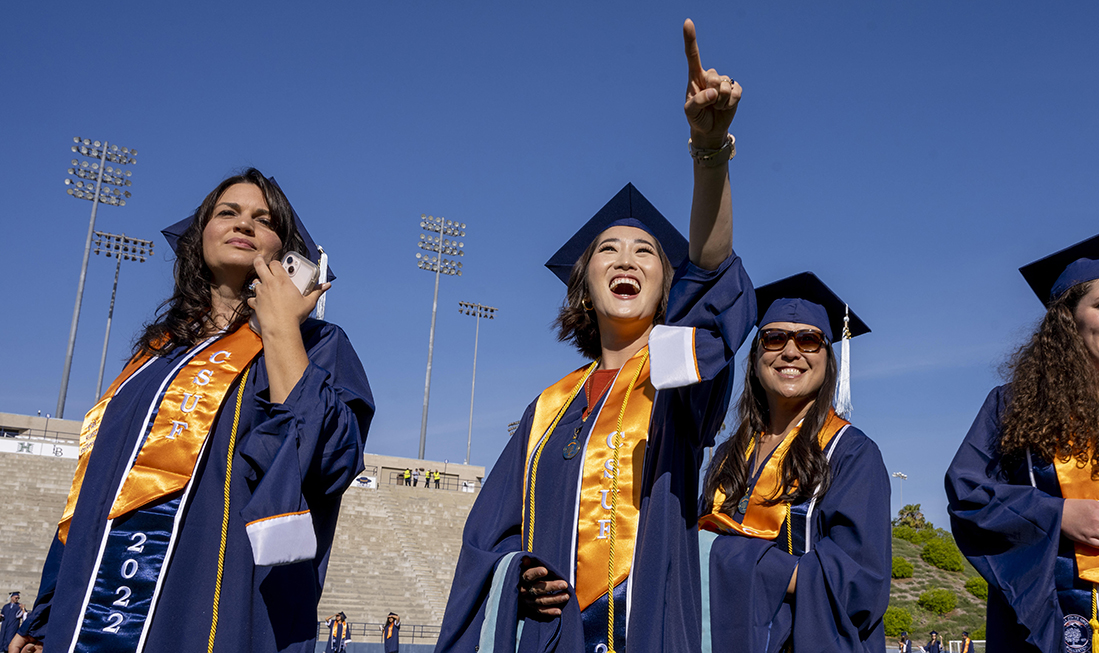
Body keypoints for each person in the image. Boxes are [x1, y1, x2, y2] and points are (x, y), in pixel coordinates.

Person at [434, 19, 755, 653]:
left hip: (649, 625)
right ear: (584, 287)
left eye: (647, 252)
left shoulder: (675, 378)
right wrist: (515, 577)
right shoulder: (548, 407)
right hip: (554, 637)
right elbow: (488, 536)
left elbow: (715, 274)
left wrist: (708, 154)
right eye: (608, 249)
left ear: (670, 289)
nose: (626, 259)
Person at [10, 169, 375, 653]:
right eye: (228, 213)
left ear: (286, 253)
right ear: (199, 235)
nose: (243, 224)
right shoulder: (154, 358)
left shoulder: (317, 345)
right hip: (93, 608)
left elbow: (328, 463)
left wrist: (282, 329)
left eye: (262, 219)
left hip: (213, 597)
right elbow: (94, 490)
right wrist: (47, 613)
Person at [946, 227, 1099, 652]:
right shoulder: (1013, 404)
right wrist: (1055, 515)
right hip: (1049, 610)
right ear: (1067, 318)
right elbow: (968, 493)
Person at [699, 272, 891, 652]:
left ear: (827, 359)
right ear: (756, 358)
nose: (790, 351)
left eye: (808, 339)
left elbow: (860, 583)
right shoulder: (728, 456)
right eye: (774, 338)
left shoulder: (850, 453)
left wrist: (729, 558)